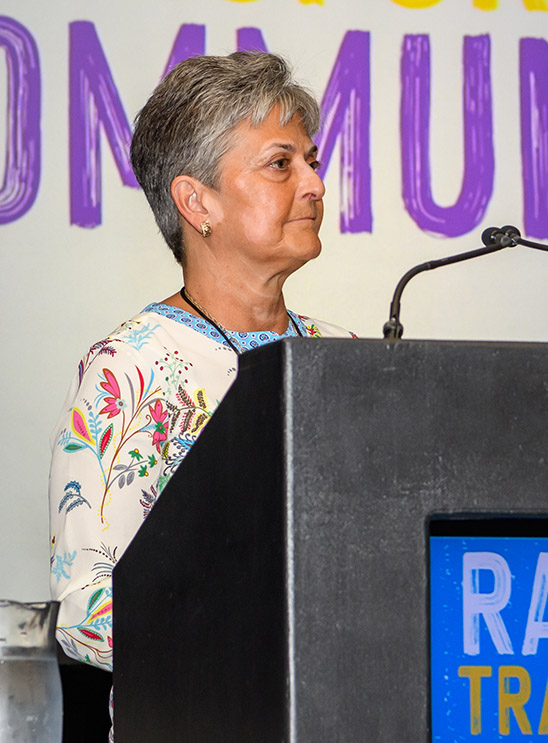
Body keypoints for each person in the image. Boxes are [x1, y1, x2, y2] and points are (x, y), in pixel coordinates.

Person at [48, 52, 352, 679]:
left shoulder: (347, 359)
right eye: (280, 164)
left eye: (311, 162)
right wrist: (265, 637)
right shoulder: (130, 369)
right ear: (197, 201)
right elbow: (86, 612)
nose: (316, 184)